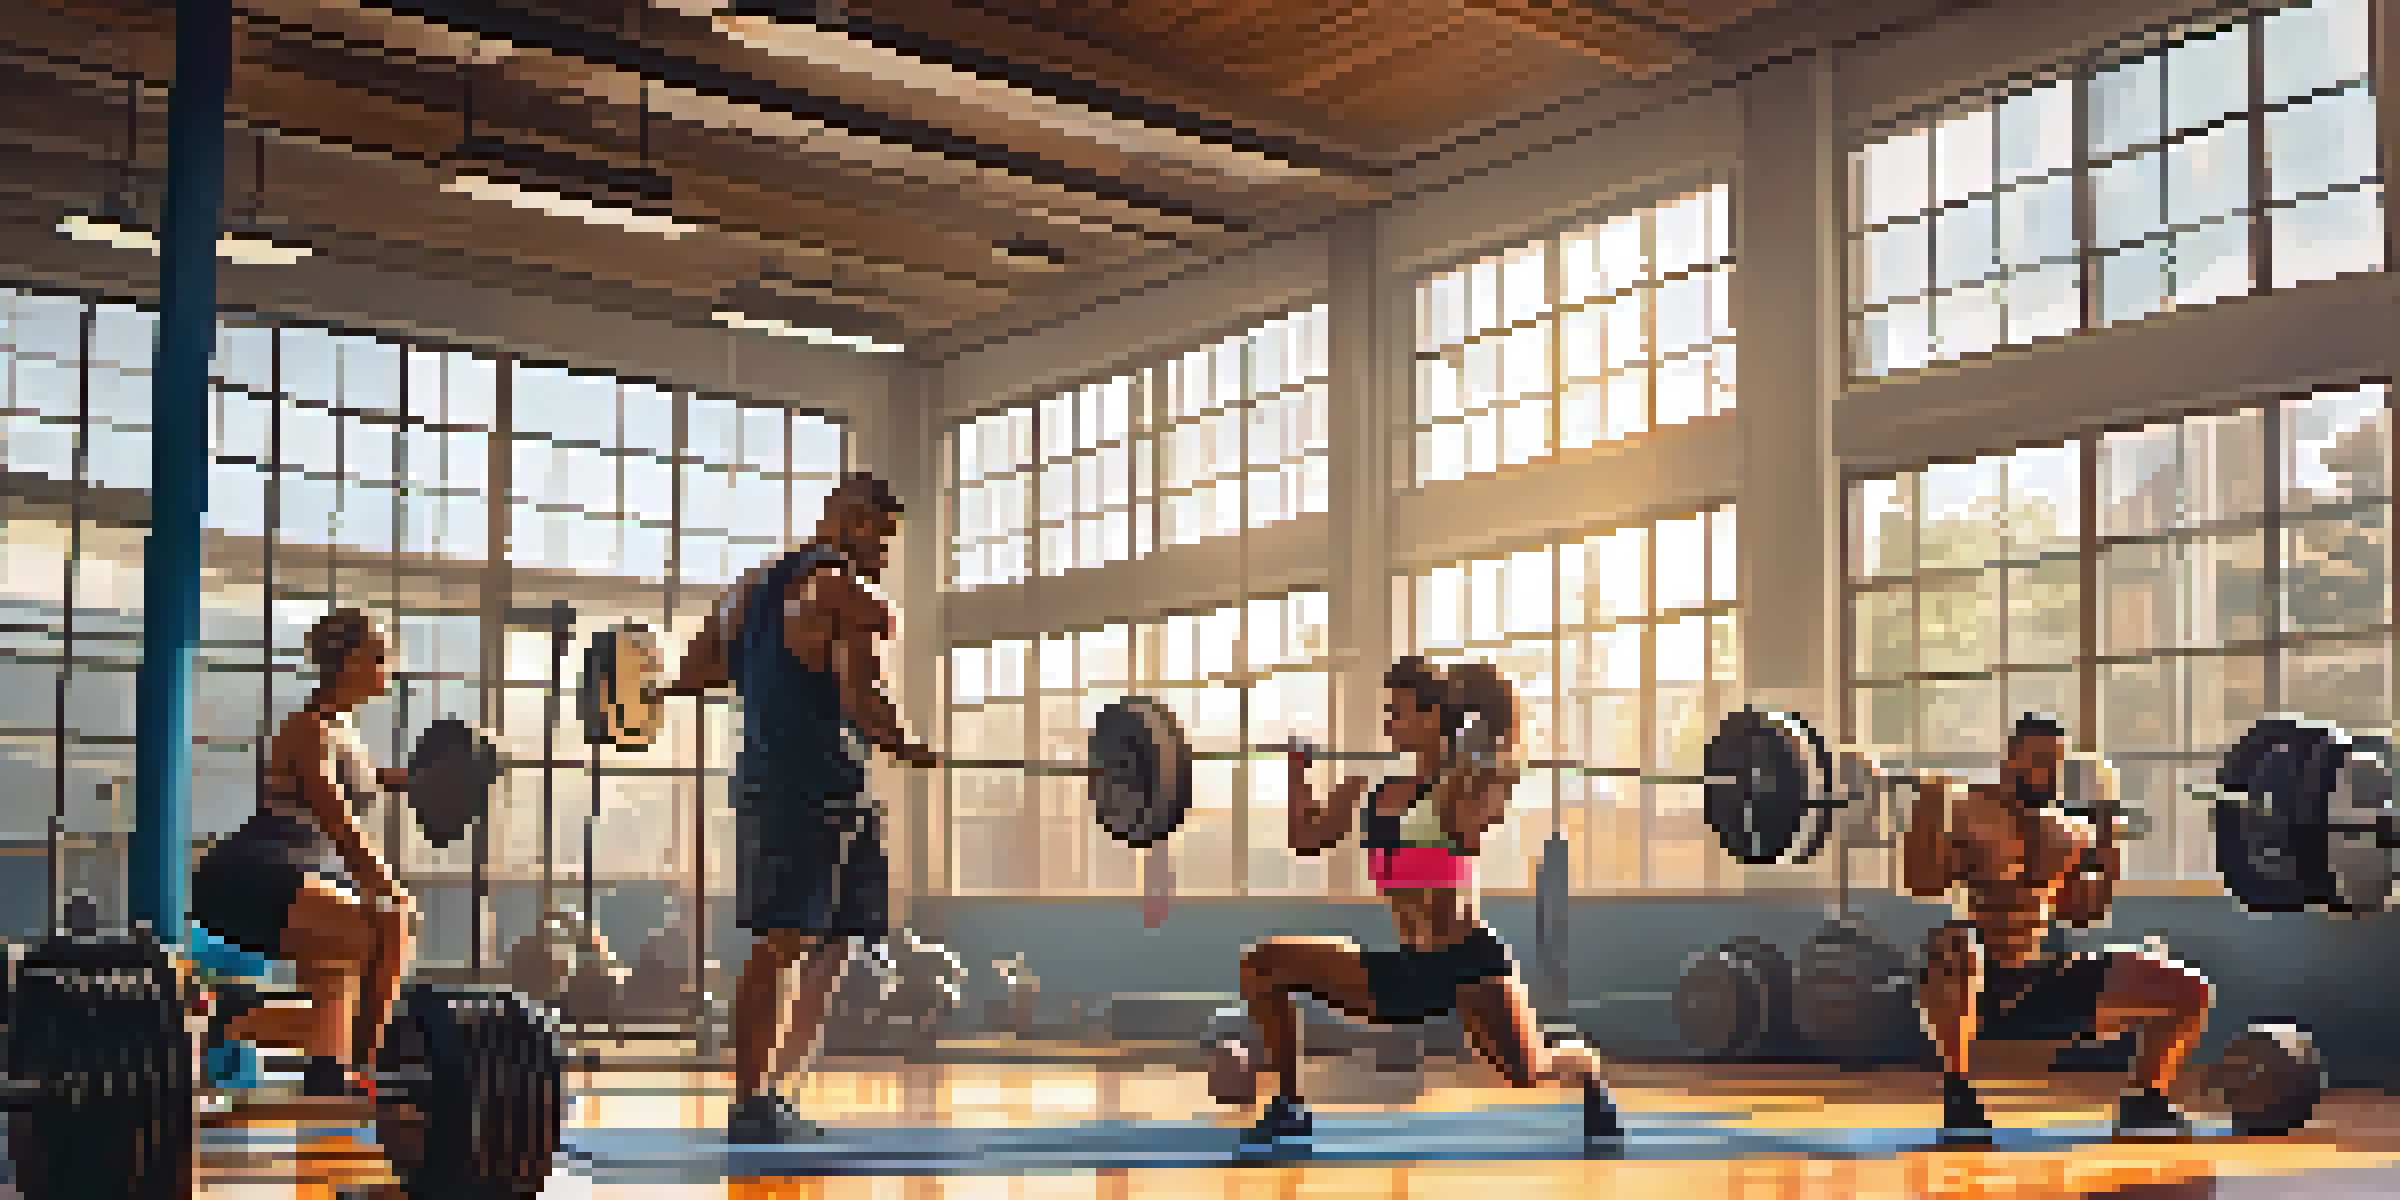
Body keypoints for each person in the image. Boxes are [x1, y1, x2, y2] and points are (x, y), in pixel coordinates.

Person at [1234, 656, 1621, 1149]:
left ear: (1434, 716)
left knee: (1529, 1072)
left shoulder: (1465, 788)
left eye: (1398, 712)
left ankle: (1585, 1070)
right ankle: (1288, 1106)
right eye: (1386, 711)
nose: (1387, 723)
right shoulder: (1370, 791)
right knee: (1262, 966)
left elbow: (1501, 746)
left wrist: (1488, 737)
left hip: (1467, 966)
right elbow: (1307, 837)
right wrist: (1297, 773)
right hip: (1408, 967)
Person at [664, 471, 937, 1144]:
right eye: (877, 531)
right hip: (799, 788)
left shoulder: (749, 590)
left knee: (835, 941)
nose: (881, 549)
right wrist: (906, 743)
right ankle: (751, 1100)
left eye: (889, 538)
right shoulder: (841, 586)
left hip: (830, 788)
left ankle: (776, 1093)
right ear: (845, 517)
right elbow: (864, 700)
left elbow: (697, 672)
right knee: (784, 940)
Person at [1907, 713, 2215, 1141]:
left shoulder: (2070, 830)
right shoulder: (1966, 811)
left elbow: (2082, 914)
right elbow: (1922, 881)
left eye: (2052, 764)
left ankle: (2146, 1100)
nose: (2044, 774)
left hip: (2042, 978)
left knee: (2187, 987)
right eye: (2034, 761)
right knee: (1954, 941)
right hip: (1976, 983)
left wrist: (2108, 842)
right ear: (2009, 759)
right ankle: (1960, 1096)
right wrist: (1926, 807)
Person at [191, 608, 416, 1100]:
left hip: (293, 871)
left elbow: (370, 780)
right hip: (251, 874)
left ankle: (288, 1052)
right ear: (347, 661)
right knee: (391, 923)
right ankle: (369, 1064)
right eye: (379, 655)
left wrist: (414, 778)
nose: (390, 665)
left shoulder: (344, 733)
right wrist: (385, 885)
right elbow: (335, 816)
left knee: (338, 983)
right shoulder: (307, 729)